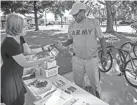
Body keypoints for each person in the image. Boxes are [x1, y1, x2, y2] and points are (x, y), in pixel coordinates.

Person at [57, 2, 107, 99]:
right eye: (73, 15)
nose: (74, 16)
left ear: (83, 12)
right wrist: (62, 44)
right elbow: (70, 40)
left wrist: (104, 55)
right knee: (77, 85)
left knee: (95, 85)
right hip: (77, 59)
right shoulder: (71, 25)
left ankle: (98, 101)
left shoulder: (94, 22)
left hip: (91, 59)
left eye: (76, 14)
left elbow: (102, 39)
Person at [1, 13, 53, 105]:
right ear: (16, 27)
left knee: (21, 100)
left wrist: (44, 48)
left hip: (17, 74)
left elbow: (27, 52)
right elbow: (25, 64)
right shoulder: (10, 43)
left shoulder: (19, 37)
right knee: (16, 102)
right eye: (24, 26)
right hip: (10, 78)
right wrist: (45, 59)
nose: (27, 27)